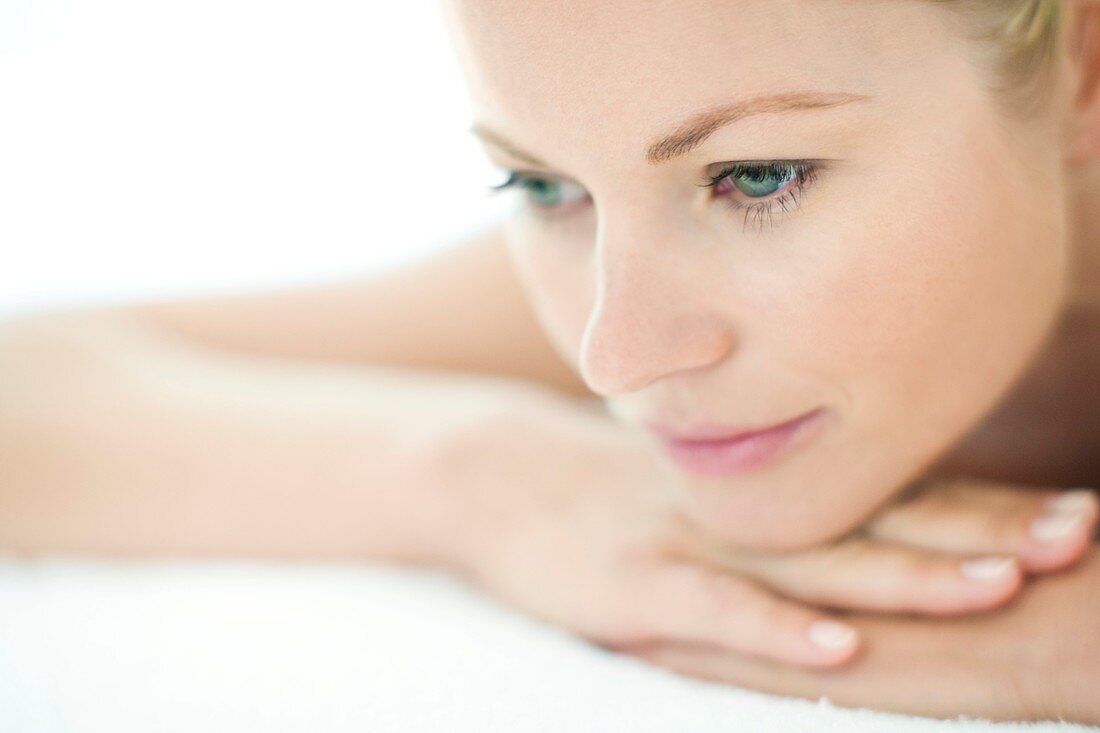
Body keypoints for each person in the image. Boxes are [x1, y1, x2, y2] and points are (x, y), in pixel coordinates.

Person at [1, 0, 1098, 723]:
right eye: (539, 186)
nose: (612, 357)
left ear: (1081, 69)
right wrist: (498, 479)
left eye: (757, 177)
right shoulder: (629, 274)